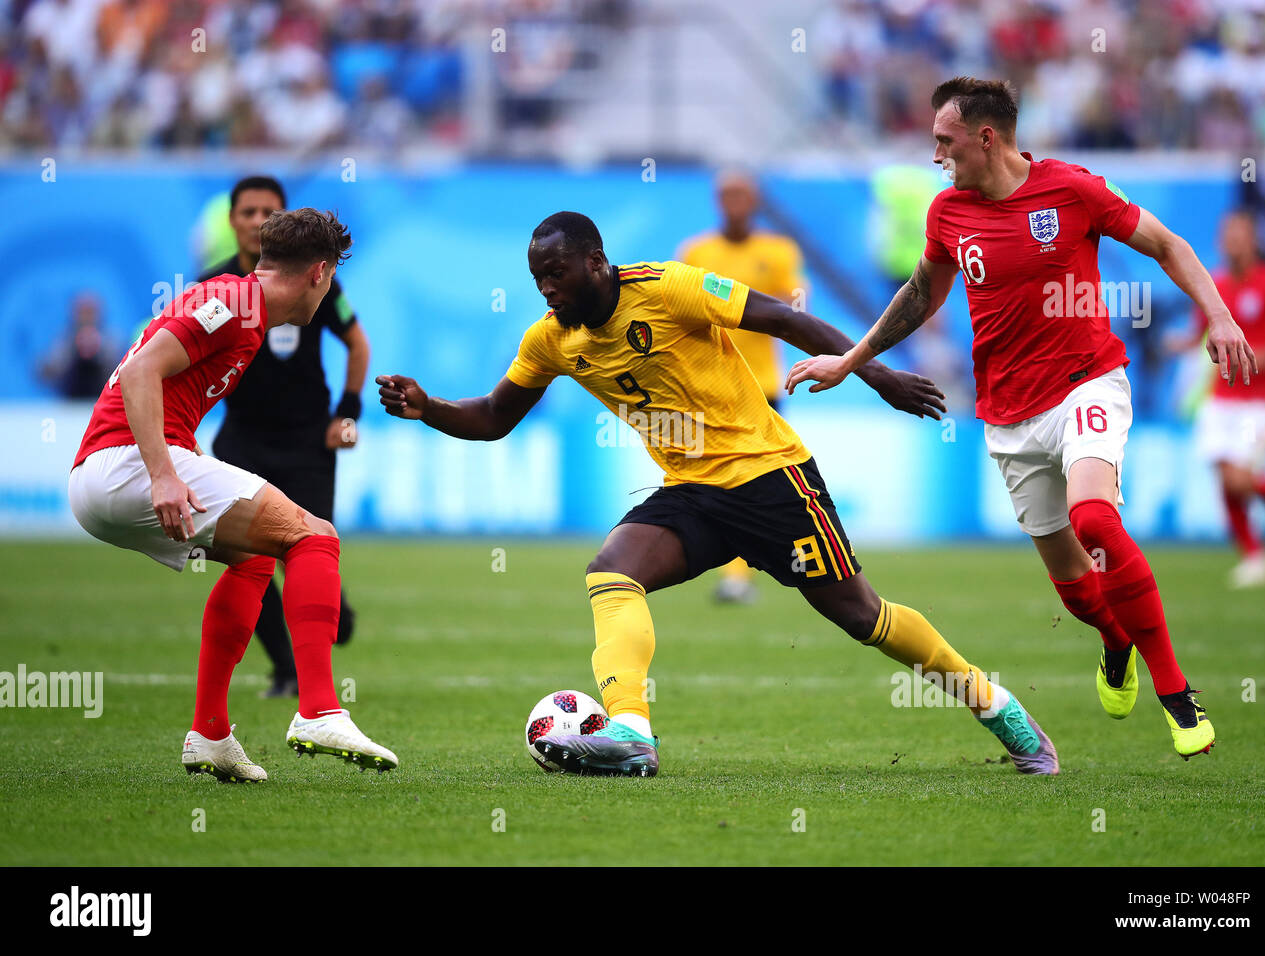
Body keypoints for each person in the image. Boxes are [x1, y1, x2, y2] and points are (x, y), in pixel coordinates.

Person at [378, 211, 1059, 778]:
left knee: (860, 616)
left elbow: (782, 319)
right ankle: (631, 734)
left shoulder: (668, 288)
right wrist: (427, 407)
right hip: (692, 493)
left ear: (595, 261)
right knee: (611, 572)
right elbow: (494, 418)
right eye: (537, 279)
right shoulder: (551, 341)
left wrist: (871, 373)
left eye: (555, 274)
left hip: (770, 477)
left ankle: (997, 707)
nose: (546, 290)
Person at [786, 77, 1258, 760]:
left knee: (1096, 518)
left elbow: (1167, 245)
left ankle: (1177, 695)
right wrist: (851, 359)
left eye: (945, 142)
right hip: (1008, 415)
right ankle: (1113, 640)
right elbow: (922, 294)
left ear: (987, 137)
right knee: (1075, 590)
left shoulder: (1073, 190)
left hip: (1087, 382)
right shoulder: (948, 212)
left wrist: (1218, 314)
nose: (936, 155)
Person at [68, 208, 396, 782]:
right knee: (315, 536)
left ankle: (211, 733)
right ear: (320, 273)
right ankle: (319, 708)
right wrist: (165, 474)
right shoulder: (235, 303)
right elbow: (143, 370)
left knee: (254, 558)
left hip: (107, 478)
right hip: (127, 465)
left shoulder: (245, 310)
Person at [199, 175, 371, 698]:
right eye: (247, 212)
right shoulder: (214, 286)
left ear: (280, 220)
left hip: (306, 444)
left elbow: (358, 345)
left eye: (266, 212)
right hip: (241, 444)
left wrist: (347, 414)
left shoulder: (321, 281)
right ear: (232, 221)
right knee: (242, 559)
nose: (255, 221)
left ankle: (331, 617)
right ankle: (286, 668)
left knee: (309, 551)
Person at [678, 169, 807, 604]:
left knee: (763, 484)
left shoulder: (779, 251)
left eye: (741, 195)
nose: (734, 203)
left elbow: (796, 308)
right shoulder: (696, 252)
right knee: (718, 484)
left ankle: (767, 566)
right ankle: (734, 573)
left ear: (755, 201)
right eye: (726, 195)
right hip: (709, 388)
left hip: (762, 386)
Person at [1172, 210, 1265, 587]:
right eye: (1228, 235)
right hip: (1221, 397)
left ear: (1253, 240)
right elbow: (1201, 335)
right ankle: (1255, 557)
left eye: (1240, 234)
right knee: (1226, 479)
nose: (1233, 241)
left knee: (1242, 479)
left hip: (1259, 402)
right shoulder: (1215, 287)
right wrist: (1178, 344)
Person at [39, 293, 120, 399]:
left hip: (103, 402)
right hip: (71, 406)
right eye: (82, 312)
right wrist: (72, 351)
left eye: (90, 312)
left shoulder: (111, 339)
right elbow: (46, 372)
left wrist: (99, 352)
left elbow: (119, 376)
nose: (86, 317)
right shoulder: (65, 340)